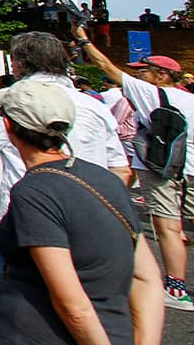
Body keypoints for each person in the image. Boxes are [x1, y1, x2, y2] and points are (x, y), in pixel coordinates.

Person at [0, 31, 129, 317]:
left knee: (19, 308)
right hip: (94, 218)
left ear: (18, 64)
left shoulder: (11, 101)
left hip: (28, 217)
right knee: (93, 303)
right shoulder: (95, 106)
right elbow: (121, 169)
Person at [0, 79, 165, 345]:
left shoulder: (34, 191)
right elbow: (146, 277)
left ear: (9, 127)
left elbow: (73, 306)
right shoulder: (106, 179)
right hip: (116, 340)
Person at [73, 29, 194, 312]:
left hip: (163, 167)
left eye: (145, 71)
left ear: (161, 75)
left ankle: (176, 288)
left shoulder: (153, 93)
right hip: (189, 165)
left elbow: (105, 67)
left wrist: (83, 37)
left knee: (168, 227)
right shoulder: (190, 98)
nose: (140, 76)